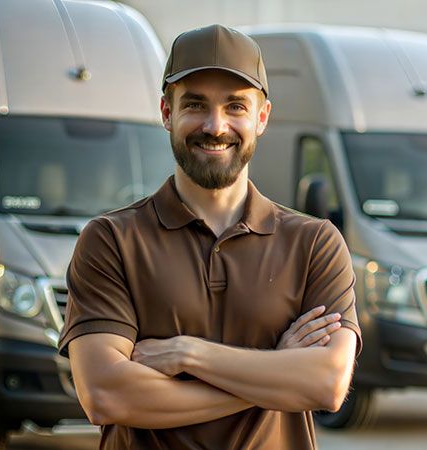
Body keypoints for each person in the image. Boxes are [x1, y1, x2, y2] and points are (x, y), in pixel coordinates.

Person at [58, 24, 361, 450]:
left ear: (262, 117)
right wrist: (275, 372)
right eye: (196, 105)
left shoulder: (315, 244)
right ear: (166, 112)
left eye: (235, 106)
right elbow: (106, 394)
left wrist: (187, 354)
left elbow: (326, 383)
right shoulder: (111, 240)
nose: (215, 126)